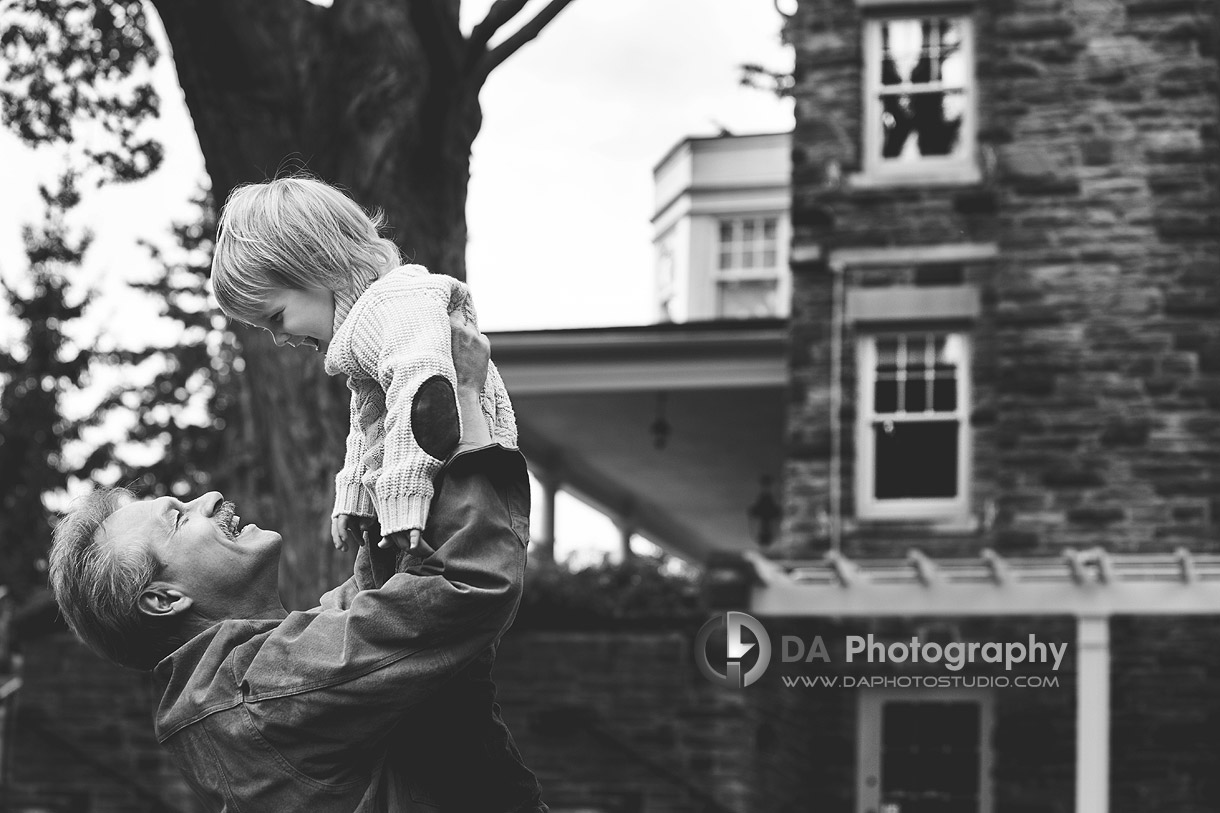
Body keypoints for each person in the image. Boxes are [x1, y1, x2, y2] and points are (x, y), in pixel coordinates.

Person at [49, 321, 546, 812]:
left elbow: (385, 600)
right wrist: (466, 404)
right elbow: (466, 586)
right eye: (178, 520)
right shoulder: (262, 693)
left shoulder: (260, 673)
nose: (210, 497)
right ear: (163, 600)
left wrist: (387, 475)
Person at [210, 175, 516, 557]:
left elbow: (424, 392)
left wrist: (402, 493)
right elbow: (370, 419)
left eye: (276, 317)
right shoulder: (367, 324)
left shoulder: (397, 303)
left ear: (317, 266)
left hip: (468, 508)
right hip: (440, 501)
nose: (280, 339)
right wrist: (355, 493)